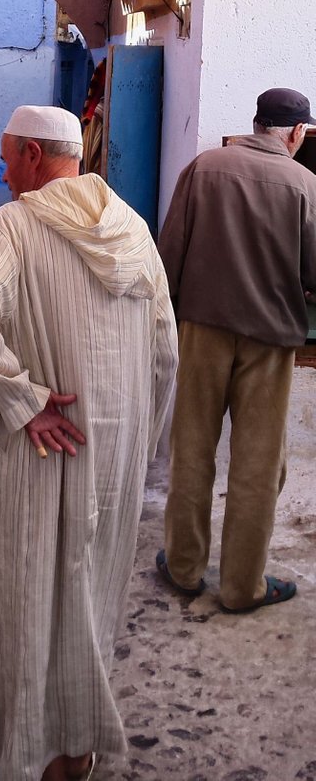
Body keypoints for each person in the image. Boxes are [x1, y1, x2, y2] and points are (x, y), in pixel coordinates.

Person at [0, 106, 178, 781]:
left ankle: (28, 759)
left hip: (40, 449)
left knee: (29, 599)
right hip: (111, 455)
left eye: (4, 158)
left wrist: (22, 399)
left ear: (29, 153)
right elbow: (166, 351)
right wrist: (144, 439)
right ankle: (73, 757)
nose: (1, 172)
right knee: (90, 602)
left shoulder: (15, 225)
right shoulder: (136, 231)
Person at [156, 86, 316, 613]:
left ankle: (183, 567)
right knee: (257, 463)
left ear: (255, 122)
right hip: (270, 342)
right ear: (296, 133)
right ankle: (243, 585)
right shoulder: (305, 185)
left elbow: (170, 250)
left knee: (193, 448)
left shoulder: (204, 168)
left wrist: (172, 319)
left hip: (202, 330)